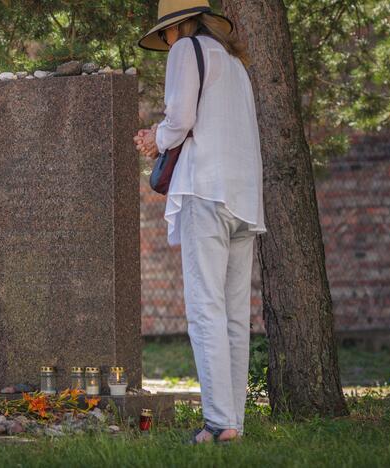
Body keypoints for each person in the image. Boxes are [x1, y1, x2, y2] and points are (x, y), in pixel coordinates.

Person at [135, 0, 266, 444]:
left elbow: (182, 120)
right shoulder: (233, 62)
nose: (167, 41)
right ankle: (233, 422)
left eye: (165, 33)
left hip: (205, 189)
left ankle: (216, 421)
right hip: (243, 197)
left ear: (176, 26)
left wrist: (155, 139)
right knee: (232, 315)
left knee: (205, 309)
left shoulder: (184, 50)